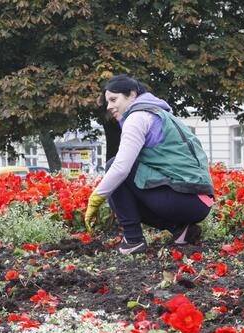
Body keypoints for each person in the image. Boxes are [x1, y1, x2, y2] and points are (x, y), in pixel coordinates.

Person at [85, 75, 214, 255]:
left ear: (131, 94)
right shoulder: (162, 113)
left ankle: (133, 240)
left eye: (114, 99)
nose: (109, 106)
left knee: (114, 167)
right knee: (123, 179)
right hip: (200, 202)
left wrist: (96, 198)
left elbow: (121, 167)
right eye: (108, 102)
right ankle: (179, 229)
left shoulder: (137, 117)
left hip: (184, 199)